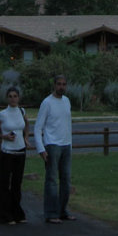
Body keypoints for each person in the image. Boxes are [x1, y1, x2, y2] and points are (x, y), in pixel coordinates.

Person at [34, 74, 75, 224]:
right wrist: (41, 149)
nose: (61, 87)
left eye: (64, 84)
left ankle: (62, 210)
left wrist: (70, 144)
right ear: (54, 85)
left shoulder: (67, 101)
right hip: (52, 145)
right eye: (59, 84)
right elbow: (38, 127)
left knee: (66, 179)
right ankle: (51, 213)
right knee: (52, 180)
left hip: (66, 145)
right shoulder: (47, 102)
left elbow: (67, 125)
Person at [0, 87, 30, 225]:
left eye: (15, 96)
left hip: (20, 151)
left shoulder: (22, 111)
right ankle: (5, 215)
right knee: (5, 183)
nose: (13, 99)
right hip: (7, 153)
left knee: (17, 183)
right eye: (10, 96)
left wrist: (26, 137)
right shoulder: (2, 114)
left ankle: (17, 213)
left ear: (19, 98)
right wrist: (3, 136)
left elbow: (26, 124)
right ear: (7, 98)